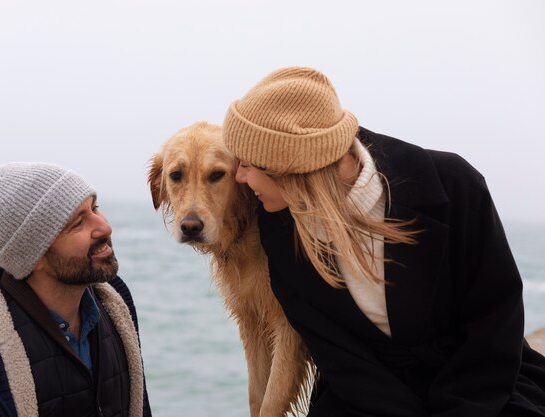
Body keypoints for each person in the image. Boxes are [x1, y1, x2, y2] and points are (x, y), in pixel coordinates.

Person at [223, 66, 545, 416]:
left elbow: (494, 323)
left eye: (249, 164)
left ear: (291, 167)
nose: (239, 177)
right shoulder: (279, 230)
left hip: (480, 387)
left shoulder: (456, 186)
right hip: (363, 398)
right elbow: (342, 360)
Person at [0, 162, 151, 417]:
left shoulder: (116, 308)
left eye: (95, 208)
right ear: (34, 256)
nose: (105, 227)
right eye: (78, 223)